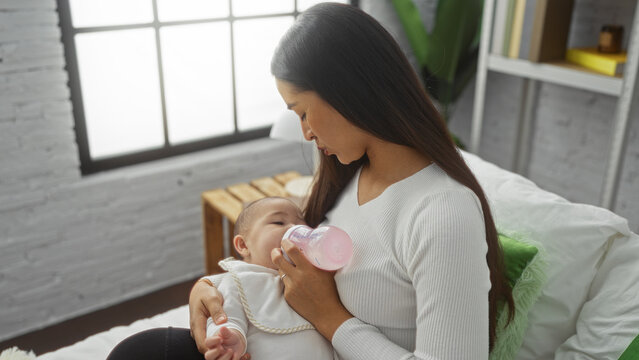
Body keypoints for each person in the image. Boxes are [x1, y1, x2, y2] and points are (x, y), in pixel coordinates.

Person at [108, 3, 514, 359]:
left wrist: (331, 318)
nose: (305, 133)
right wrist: (211, 292)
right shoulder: (350, 173)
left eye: (302, 112)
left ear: (348, 92)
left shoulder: (442, 211)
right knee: (142, 350)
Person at [202, 196, 335, 360]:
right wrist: (229, 338)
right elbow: (225, 318)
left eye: (302, 223)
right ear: (244, 245)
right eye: (279, 222)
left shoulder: (313, 276)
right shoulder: (239, 279)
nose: (294, 228)